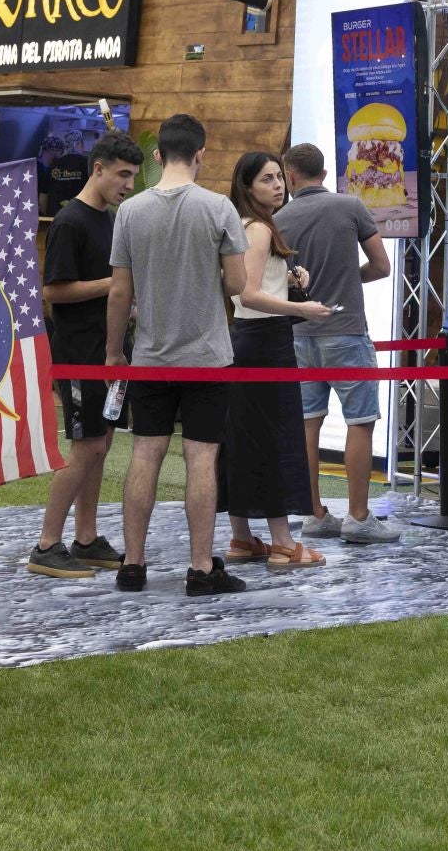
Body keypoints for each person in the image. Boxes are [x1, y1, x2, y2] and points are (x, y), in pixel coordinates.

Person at [106, 113, 250, 596]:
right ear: (201, 155)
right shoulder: (219, 208)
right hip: (208, 356)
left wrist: (112, 352)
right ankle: (200, 568)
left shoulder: (130, 212)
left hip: (149, 354)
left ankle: (133, 564)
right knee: (201, 460)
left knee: (146, 453)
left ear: (157, 155)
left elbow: (119, 293)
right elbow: (237, 285)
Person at [29, 130, 144, 579]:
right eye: (122, 175)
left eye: (133, 176)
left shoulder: (111, 220)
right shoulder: (70, 222)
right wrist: (115, 285)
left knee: (101, 444)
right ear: (98, 169)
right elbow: (53, 291)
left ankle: (86, 536)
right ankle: (46, 543)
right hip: (79, 351)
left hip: (110, 349)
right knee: (86, 446)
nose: (129, 185)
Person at [275, 143, 398, 543]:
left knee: (308, 424)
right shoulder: (351, 207)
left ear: (290, 176)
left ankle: (314, 514)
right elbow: (382, 266)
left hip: (299, 332)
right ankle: (359, 517)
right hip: (345, 329)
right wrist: (349, 280)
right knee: (360, 421)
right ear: (325, 174)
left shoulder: (279, 219)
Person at [222, 151, 333, 570]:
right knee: (275, 439)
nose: (278, 185)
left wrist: (288, 282)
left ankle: (242, 537)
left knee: (248, 438)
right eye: (267, 179)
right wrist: (300, 309)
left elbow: (249, 287)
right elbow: (247, 293)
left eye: (279, 177)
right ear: (248, 186)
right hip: (264, 342)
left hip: (253, 340)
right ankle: (283, 542)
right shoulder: (256, 229)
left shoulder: (252, 227)